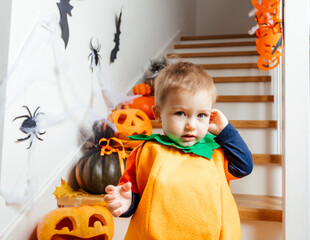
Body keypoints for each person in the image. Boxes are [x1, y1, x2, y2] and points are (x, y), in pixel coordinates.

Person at [104, 61, 253, 240]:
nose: (191, 125)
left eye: (201, 115)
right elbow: (134, 194)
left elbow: (244, 166)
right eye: (181, 113)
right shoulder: (146, 152)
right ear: (158, 114)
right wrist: (126, 202)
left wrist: (226, 131)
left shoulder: (216, 150)